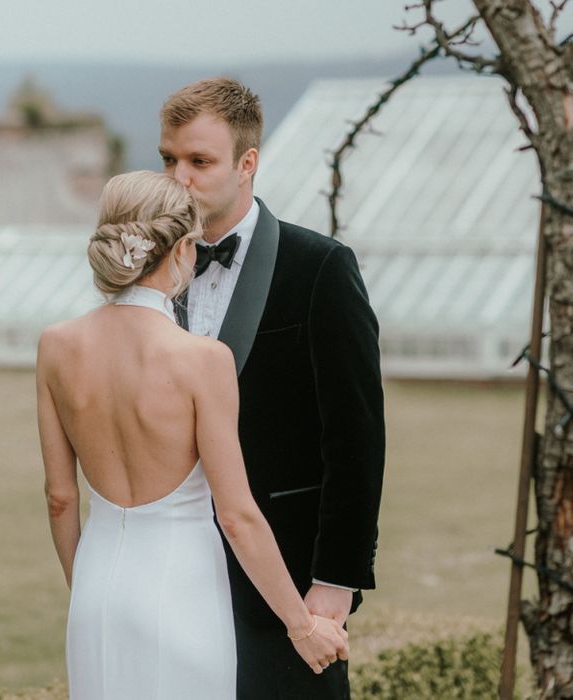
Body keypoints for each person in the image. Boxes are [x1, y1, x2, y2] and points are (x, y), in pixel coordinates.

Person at [36, 170, 349, 700]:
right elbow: (237, 515)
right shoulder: (202, 360)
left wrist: (86, 588)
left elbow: (61, 498)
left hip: (95, 593)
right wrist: (301, 625)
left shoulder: (56, 345)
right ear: (183, 248)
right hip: (182, 593)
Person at [158, 78, 385, 699]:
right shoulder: (146, 275)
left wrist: (335, 581)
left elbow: (357, 438)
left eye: (199, 161)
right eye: (169, 160)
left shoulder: (321, 269)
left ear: (247, 162)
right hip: (170, 575)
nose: (179, 178)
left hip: (285, 580)